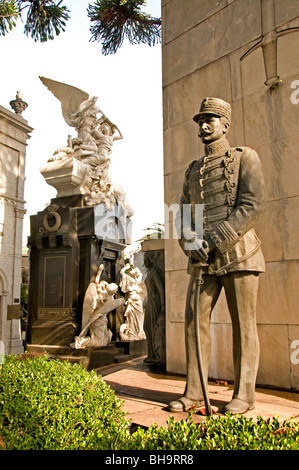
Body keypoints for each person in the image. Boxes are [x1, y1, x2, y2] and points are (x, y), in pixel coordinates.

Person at [169, 97, 265, 415]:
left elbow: (251, 205)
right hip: (202, 259)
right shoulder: (192, 170)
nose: (205, 125)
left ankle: (244, 395)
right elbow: (183, 216)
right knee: (194, 323)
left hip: (240, 253)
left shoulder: (245, 158)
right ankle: (194, 391)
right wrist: (190, 242)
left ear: (225, 124)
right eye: (201, 120)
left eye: (211, 119)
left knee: (244, 325)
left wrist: (216, 239)